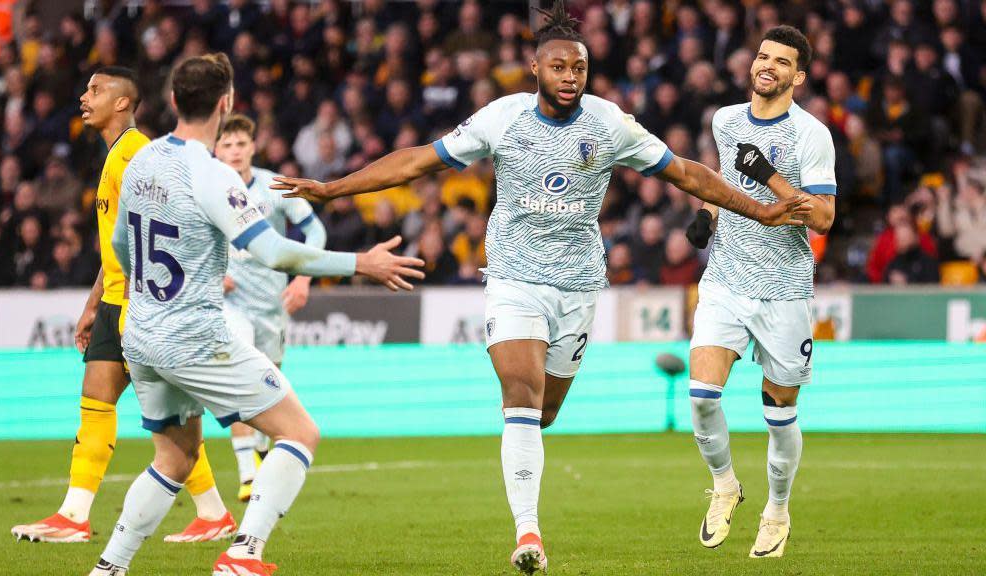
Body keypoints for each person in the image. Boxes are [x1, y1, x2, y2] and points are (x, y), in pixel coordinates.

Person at [273, 3, 808, 573]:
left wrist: (760, 211)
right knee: (520, 398)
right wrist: (334, 189)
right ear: (535, 69)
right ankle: (529, 534)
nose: (570, 78)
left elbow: (686, 173)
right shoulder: (502, 118)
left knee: (543, 412)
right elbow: (417, 163)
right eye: (559, 68)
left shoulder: (609, 123)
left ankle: (527, 460)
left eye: (578, 68)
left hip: (577, 285)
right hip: (513, 279)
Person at [87, 53, 422, 576]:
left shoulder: (142, 160)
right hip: (194, 336)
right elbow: (274, 253)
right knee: (300, 433)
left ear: (174, 100)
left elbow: (122, 250)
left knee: (174, 459)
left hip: (143, 333)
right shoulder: (215, 175)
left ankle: (109, 567)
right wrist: (361, 262)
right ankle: (245, 553)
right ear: (227, 104)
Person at [11, 66, 236, 544]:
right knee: (100, 401)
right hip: (117, 299)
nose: (83, 96)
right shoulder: (116, 156)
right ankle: (76, 515)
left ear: (122, 103)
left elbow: (164, 228)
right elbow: (121, 243)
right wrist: (94, 304)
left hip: (141, 304)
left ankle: (212, 513)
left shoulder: (135, 153)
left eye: (96, 90)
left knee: (169, 420)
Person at [683, 26, 836, 559]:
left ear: (799, 75)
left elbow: (823, 218)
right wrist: (706, 214)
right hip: (725, 280)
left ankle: (776, 509)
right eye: (763, 56)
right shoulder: (725, 120)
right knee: (701, 397)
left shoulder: (811, 135)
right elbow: (725, 182)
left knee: (780, 414)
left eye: (782, 61)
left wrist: (769, 176)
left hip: (784, 291)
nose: (768, 65)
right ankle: (725, 485)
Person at [212, 113, 327, 505]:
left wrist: (303, 278)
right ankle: (247, 476)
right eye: (226, 145)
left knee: (269, 382)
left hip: (272, 304)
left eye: (240, 144)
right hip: (228, 304)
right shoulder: (206, 187)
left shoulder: (273, 187)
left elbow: (315, 229)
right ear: (216, 149)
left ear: (252, 146)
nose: (234, 151)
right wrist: (212, 276)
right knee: (241, 374)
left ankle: (258, 451)